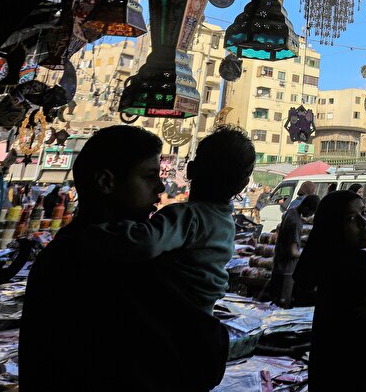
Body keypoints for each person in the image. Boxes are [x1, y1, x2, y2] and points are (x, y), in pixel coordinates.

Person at [20, 126, 229, 392]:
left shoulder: (66, 250)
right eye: (149, 176)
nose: (161, 187)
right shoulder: (115, 264)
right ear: (106, 182)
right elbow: (198, 359)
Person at [77, 128, 256, 319]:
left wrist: (91, 234)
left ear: (191, 170)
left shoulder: (187, 216)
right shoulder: (224, 220)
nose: (162, 186)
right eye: (149, 176)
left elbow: (144, 242)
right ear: (242, 185)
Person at [294, 191, 366, 389]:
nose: (364, 223)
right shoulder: (349, 270)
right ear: (334, 227)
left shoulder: (341, 261)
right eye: (351, 219)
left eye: (364, 213)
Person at [269, 194, 319, 307]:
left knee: (275, 300)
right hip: (287, 269)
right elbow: (293, 252)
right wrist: (308, 255)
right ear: (306, 208)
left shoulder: (290, 212)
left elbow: (278, 229)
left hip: (278, 264)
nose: (309, 216)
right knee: (283, 302)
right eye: (310, 213)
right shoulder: (296, 223)